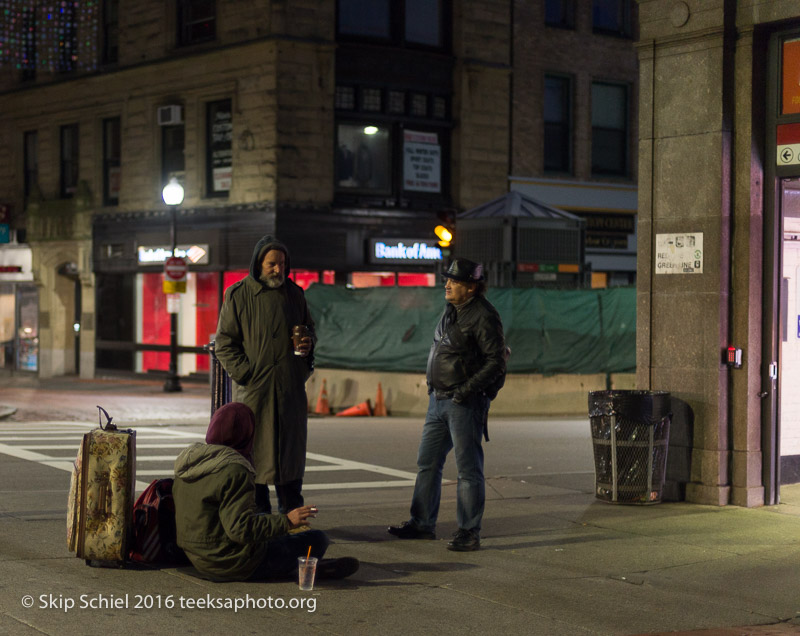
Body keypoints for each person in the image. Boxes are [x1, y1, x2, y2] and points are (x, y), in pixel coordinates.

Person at [388, 258, 506, 552]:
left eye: (454, 281)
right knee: (427, 462)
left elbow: (496, 361)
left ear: (471, 287)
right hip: (438, 400)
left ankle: (469, 531)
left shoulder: (483, 315)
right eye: (447, 279)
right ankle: (421, 523)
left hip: (463, 403)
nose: (447, 285)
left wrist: (466, 391)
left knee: (468, 470)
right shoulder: (452, 310)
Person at [173, 402, 359, 582]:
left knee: (266, 520)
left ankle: (299, 566)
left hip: (197, 557)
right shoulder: (234, 470)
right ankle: (298, 568)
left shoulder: (191, 461)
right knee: (317, 539)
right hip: (230, 562)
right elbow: (240, 530)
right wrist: (287, 521)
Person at [214, 235, 314, 515]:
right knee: (255, 463)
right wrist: (247, 374)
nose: (278, 270)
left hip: (289, 394)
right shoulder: (239, 294)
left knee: (290, 463)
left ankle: (292, 520)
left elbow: (309, 331)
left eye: (282, 264)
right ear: (259, 264)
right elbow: (224, 343)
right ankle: (260, 523)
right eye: (272, 264)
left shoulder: (295, 295)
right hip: (254, 395)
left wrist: (306, 353)